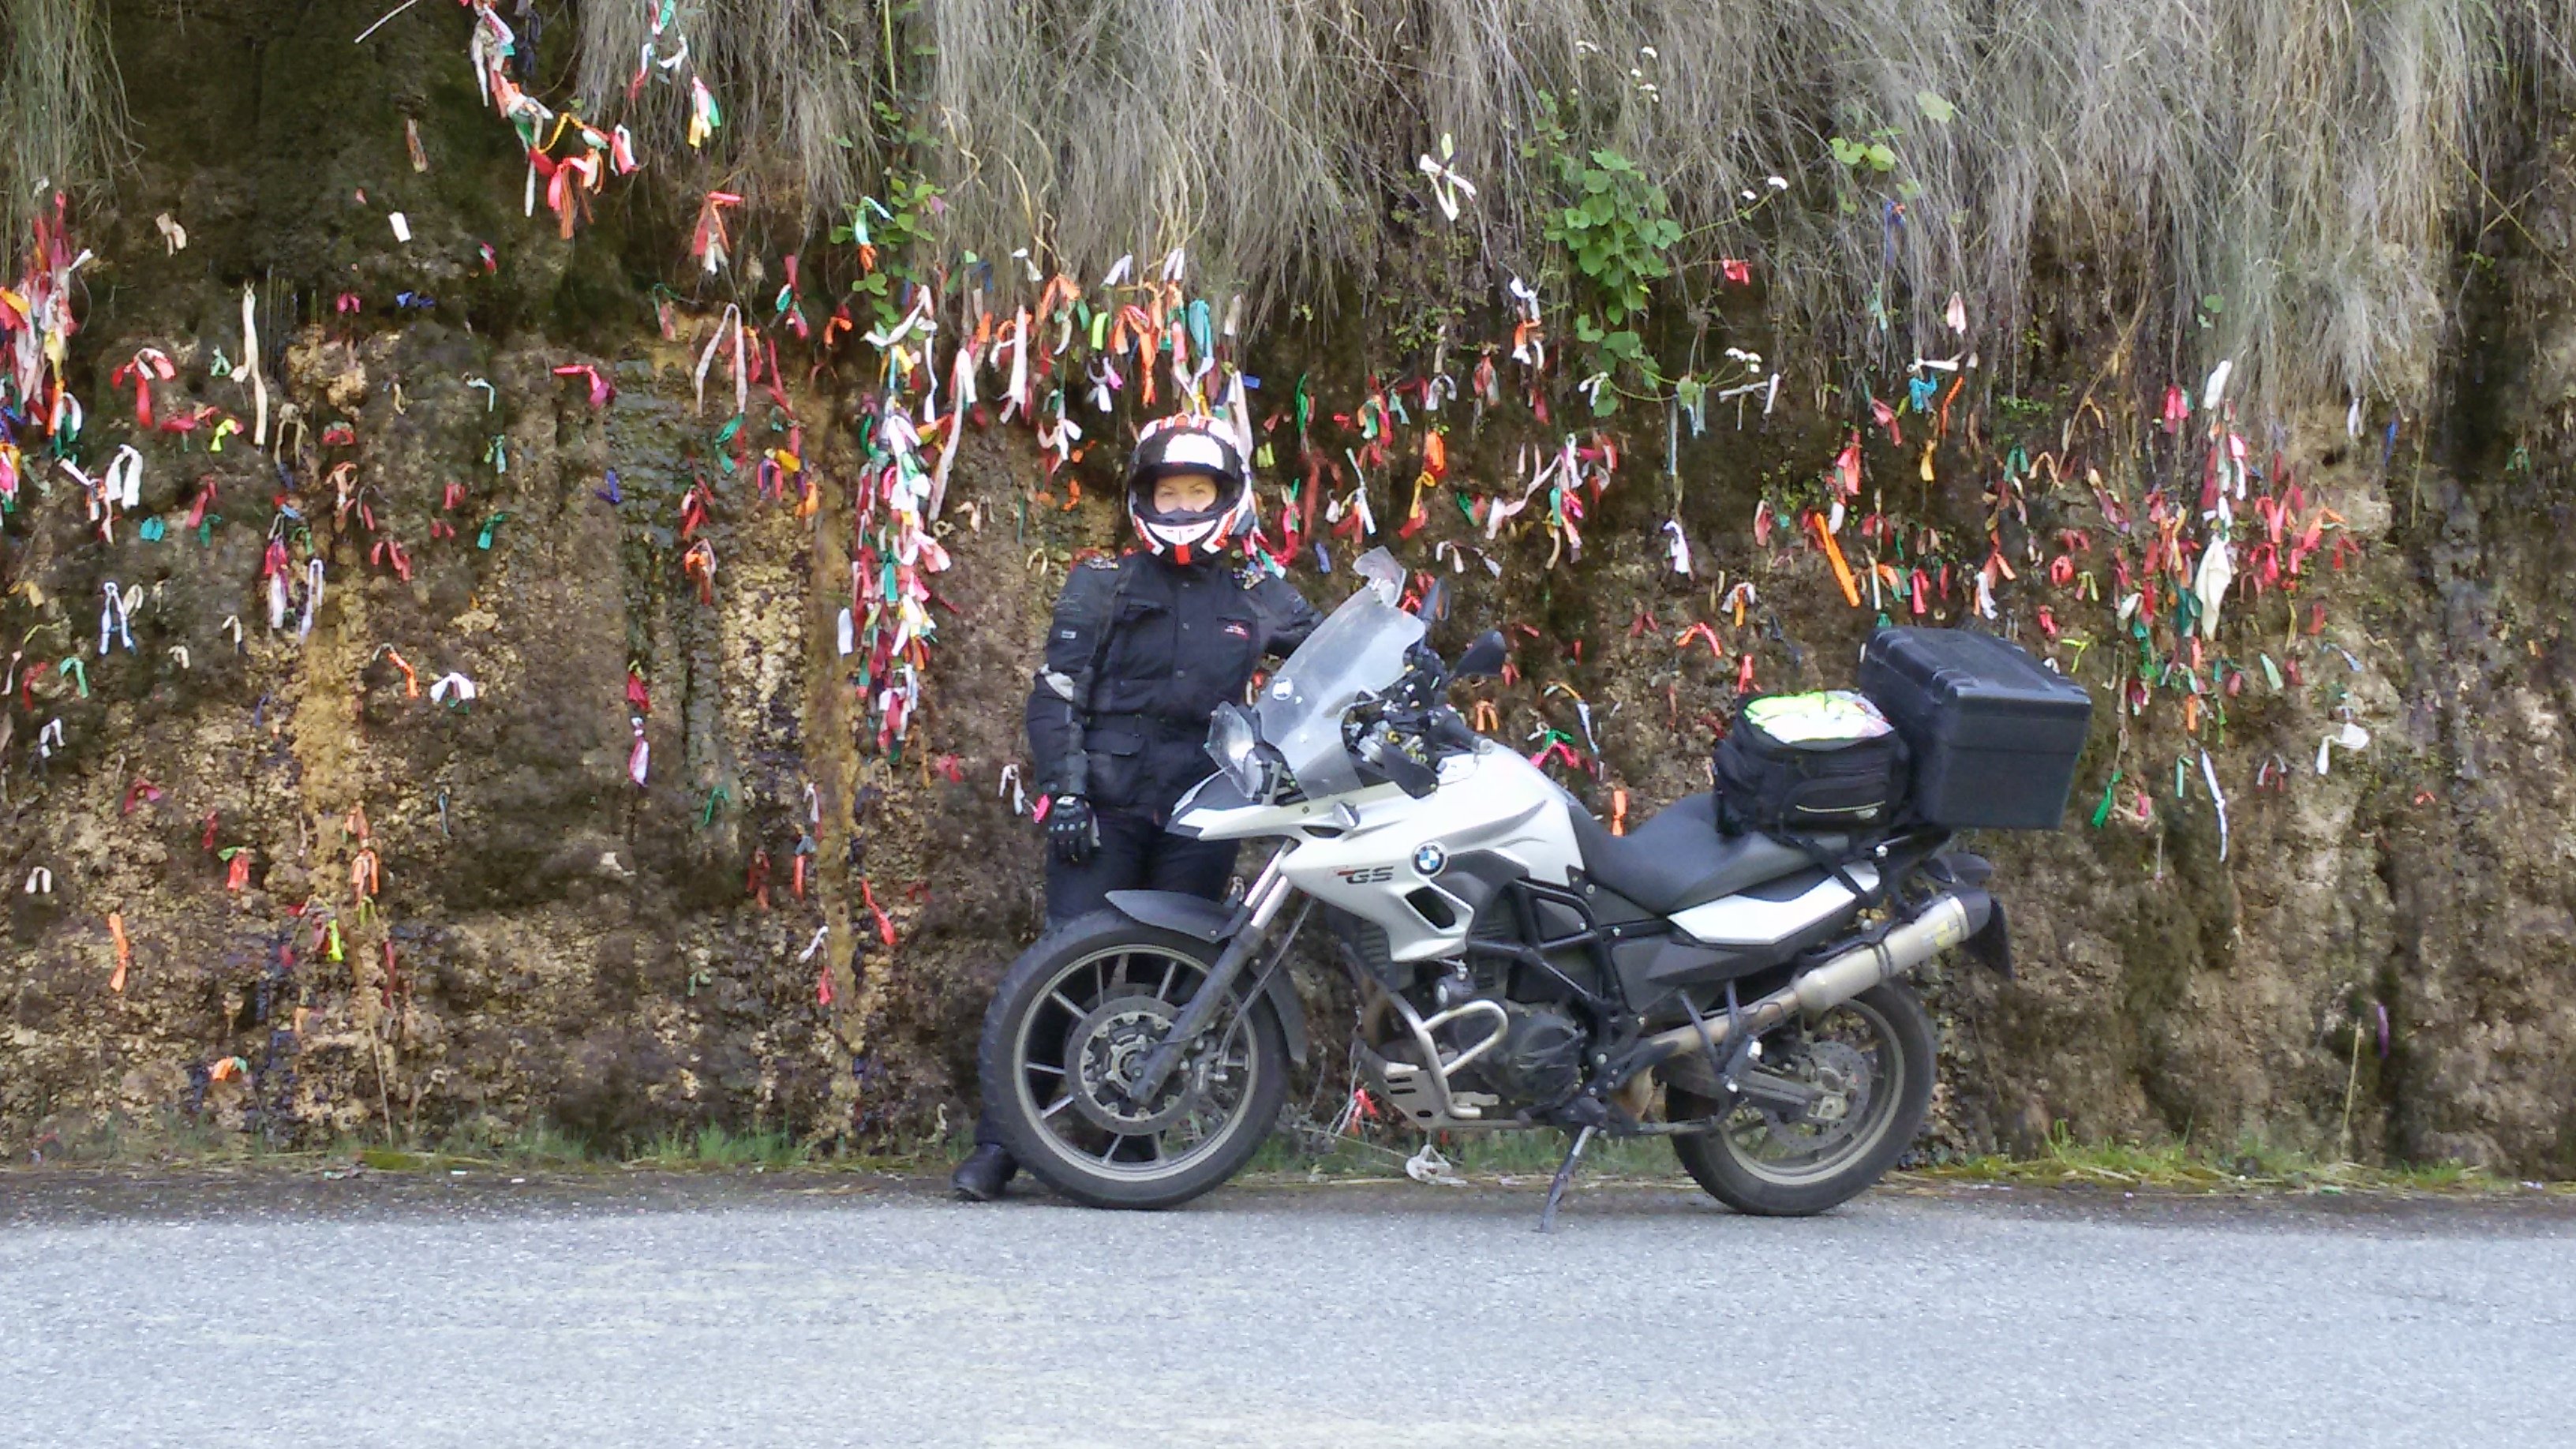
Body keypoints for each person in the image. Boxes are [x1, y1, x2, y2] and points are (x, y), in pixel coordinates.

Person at [953, 414, 1322, 1201]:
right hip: (1107, 804)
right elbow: (1057, 693)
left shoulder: (1258, 591)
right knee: (1062, 968)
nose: (1183, 506)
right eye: (1169, 492)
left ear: (1227, 498)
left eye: (1198, 493)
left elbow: (1328, 662)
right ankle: (1000, 1145)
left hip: (1204, 809)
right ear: (1143, 499)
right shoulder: (1103, 582)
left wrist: (1405, 663)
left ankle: (1137, 1139)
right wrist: (1067, 790)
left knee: (1174, 979)